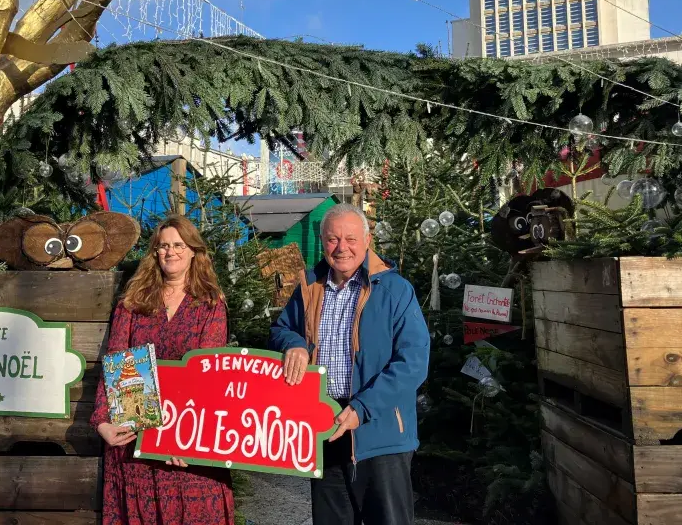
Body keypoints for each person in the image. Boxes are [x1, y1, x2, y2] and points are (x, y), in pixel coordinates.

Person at [269, 203, 430, 525]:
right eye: (332, 240)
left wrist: (363, 407)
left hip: (379, 428)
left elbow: (413, 361)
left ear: (367, 241)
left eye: (350, 239)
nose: (341, 248)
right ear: (322, 242)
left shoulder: (395, 290)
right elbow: (281, 329)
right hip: (323, 422)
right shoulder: (309, 287)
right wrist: (295, 345)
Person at [91, 215, 233, 525]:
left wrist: (178, 439)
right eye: (163, 246)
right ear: (155, 252)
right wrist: (102, 420)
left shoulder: (210, 305)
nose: (170, 252)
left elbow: (205, 376)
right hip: (134, 438)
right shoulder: (133, 302)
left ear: (193, 251)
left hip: (187, 444)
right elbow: (117, 360)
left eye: (178, 245)